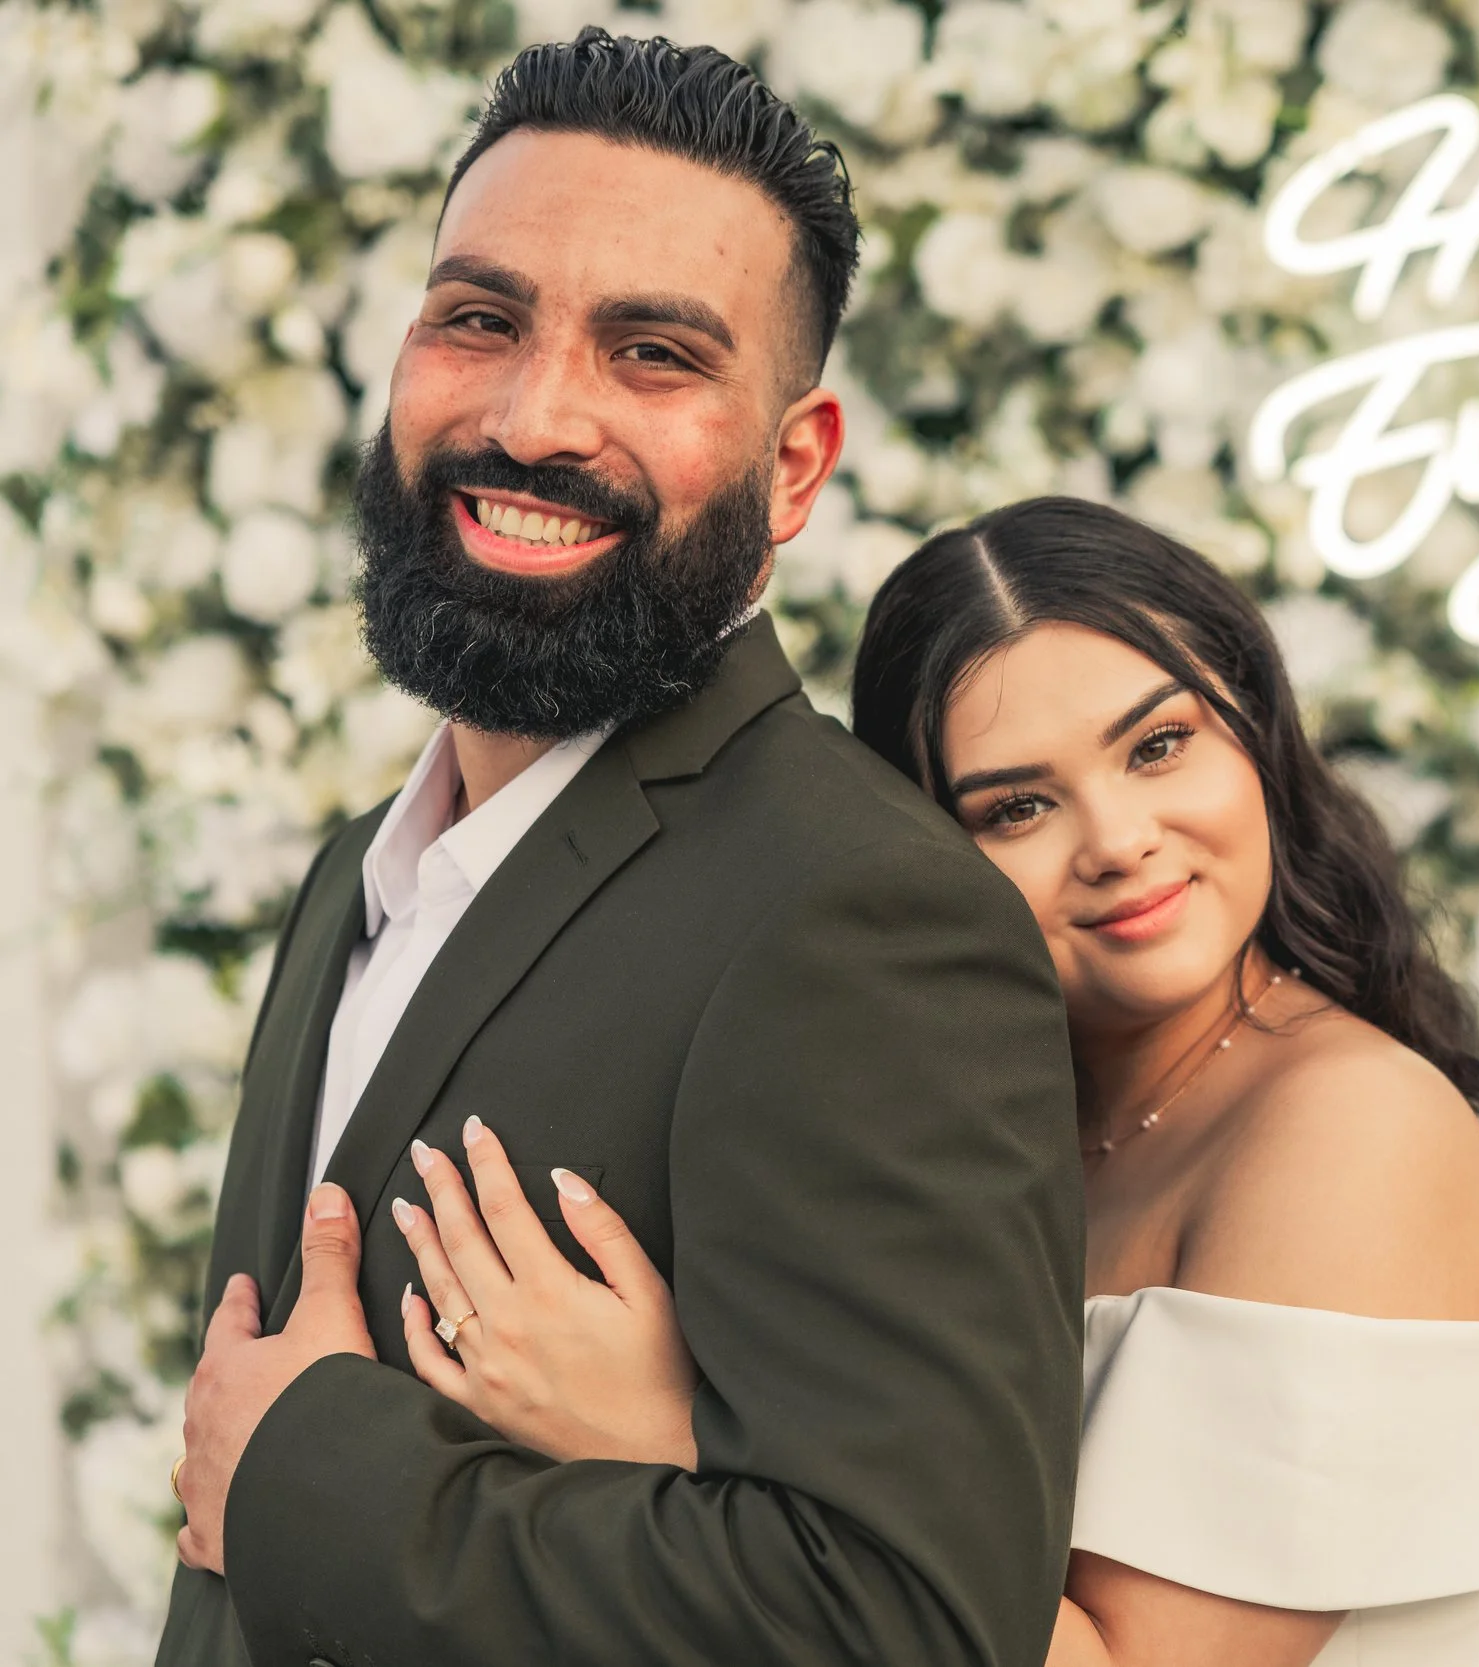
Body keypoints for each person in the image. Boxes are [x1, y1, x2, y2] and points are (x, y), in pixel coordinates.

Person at [159, 32, 1085, 1667]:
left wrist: (302, 1471)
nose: (532, 414)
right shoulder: (346, 881)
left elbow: (912, 1626)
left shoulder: (860, 915)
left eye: (651, 355)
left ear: (792, 465)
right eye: (480, 318)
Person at [386, 495, 1479, 1666]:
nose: (1118, 840)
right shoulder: (993, 1116)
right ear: (929, 856)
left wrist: (675, 1430)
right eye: (1018, 807)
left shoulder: (1352, 1128)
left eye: (1160, 744)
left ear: (1260, 737)